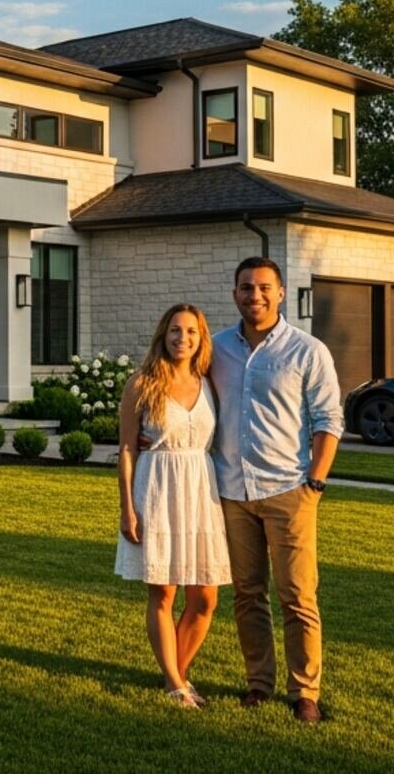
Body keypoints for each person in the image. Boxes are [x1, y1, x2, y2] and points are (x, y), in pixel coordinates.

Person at [210, 256, 343, 724]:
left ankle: (305, 691)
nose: (255, 295)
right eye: (246, 287)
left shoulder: (308, 351)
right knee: (247, 593)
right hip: (231, 491)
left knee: (297, 595)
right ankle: (258, 684)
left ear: (281, 293)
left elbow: (329, 421)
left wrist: (315, 484)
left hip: (289, 490)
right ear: (235, 294)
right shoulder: (216, 348)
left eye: (265, 287)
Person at [114, 303, 230, 709]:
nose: (183, 339)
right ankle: (176, 684)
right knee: (163, 591)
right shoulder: (142, 384)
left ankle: (175, 674)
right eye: (176, 331)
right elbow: (127, 449)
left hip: (200, 489)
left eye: (192, 332)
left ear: (202, 338)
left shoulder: (210, 382)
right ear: (163, 335)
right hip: (157, 488)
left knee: (205, 597)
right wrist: (127, 508)